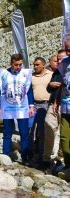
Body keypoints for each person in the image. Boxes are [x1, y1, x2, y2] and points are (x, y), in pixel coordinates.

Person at [0, 54, 35, 164]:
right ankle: (6, 156)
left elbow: (29, 90)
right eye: (16, 65)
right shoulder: (2, 74)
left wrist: (31, 105)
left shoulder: (26, 74)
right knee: (7, 132)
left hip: (22, 107)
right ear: (11, 63)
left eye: (20, 64)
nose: (18, 67)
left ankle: (25, 157)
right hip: (7, 108)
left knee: (24, 132)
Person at [43, 49, 67, 169]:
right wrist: (50, 85)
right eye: (57, 59)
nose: (58, 61)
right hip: (53, 105)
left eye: (60, 59)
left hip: (66, 106)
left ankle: (61, 158)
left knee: (64, 134)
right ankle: (46, 158)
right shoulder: (56, 72)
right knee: (48, 126)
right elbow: (49, 89)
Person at [29, 57, 53, 167]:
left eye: (38, 64)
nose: (35, 66)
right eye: (34, 65)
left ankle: (42, 154)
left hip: (45, 105)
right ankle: (31, 152)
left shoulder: (50, 74)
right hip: (33, 105)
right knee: (30, 129)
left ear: (44, 65)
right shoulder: (31, 76)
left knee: (43, 130)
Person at [55, 42, 70, 180]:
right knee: (65, 138)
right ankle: (68, 165)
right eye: (67, 50)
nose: (68, 52)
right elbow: (62, 83)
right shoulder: (64, 63)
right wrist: (57, 101)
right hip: (65, 107)